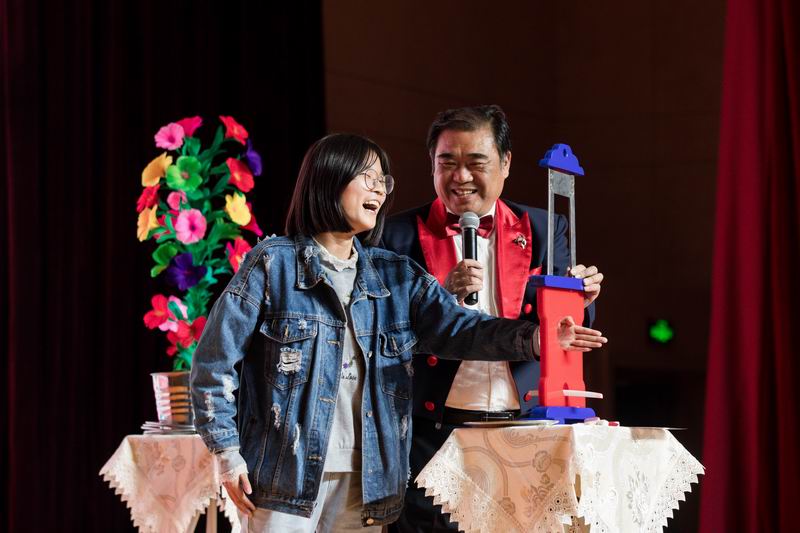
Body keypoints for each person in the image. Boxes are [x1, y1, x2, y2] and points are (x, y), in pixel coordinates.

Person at [190, 133, 606, 532]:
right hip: (285, 478)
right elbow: (213, 365)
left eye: (383, 180)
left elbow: (461, 330)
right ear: (329, 178)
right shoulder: (273, 264)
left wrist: (537, 339)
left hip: (367, 481)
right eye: (367, 177)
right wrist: (227, 454)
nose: (379, 189)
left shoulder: (394, 275)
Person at [381, 105, 606, 532]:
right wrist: (439, 294)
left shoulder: (543, 227)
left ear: (505, 163)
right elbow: (382, 332)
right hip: (431, 435)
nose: (461, 176)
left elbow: (565, 326)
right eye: (447, 162)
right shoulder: (396, 234)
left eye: (475, 162)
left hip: (525, 431)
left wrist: (584, 297)